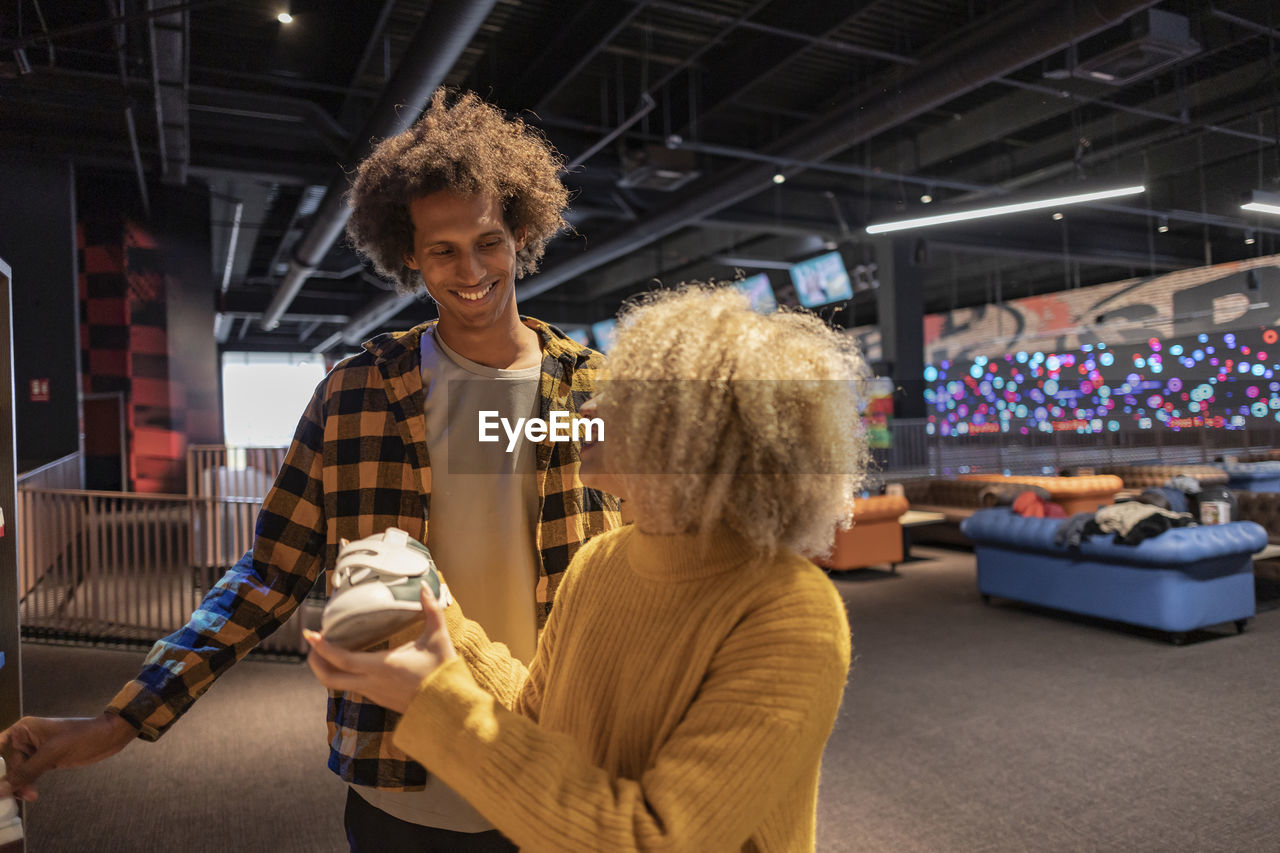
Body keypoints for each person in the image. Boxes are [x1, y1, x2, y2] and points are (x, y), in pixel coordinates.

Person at [0, 89, 619, 851]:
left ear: (521, 232)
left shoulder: (596, 391)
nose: (471, 270)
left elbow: (657, 574)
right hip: (404, 773)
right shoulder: (357, 393)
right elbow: (267, 574)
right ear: (408, 255)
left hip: (561, 768)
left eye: (488, 241)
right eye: (442, 250)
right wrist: (120, 718)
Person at [305, 285, 869, 851]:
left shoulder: (791, 614)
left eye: (627, 398)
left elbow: (650, 839)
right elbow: (539, 720)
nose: (589, 409)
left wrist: (434, 698)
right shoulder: (602, 561)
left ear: (698, 441)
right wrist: (438, 616)